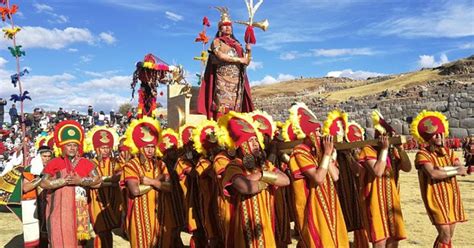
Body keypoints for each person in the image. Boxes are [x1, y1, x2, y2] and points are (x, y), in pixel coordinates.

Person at [220, 111, 290, 247]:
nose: (256, 143)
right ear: (242, 145)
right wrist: (266, 179)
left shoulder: (264, 165)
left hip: (266, 223)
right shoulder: (234, 166)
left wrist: (261, 175)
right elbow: (245, 187)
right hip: (246, 226)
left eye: (256, 140)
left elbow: (285, 180)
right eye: (251, 141)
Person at [287, 103, 349, 247]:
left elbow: (335, 176)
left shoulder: (320, 153)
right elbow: (318, 178)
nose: (322, 135)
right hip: (313, 211)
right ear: (310, 134)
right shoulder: (299, 152)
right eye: (318, 132)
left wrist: (329, 155)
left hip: (330, 207)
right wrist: (327, 154)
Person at [411, 110, 468, 248]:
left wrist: (454, 169)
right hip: (435, 199)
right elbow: (433, 173)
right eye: (435, 134)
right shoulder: (422, 154)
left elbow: (460, 168)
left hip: (451, 197)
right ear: (428, 137)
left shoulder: (449, 152)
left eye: (440, 133)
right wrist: (455, 171)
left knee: (448, 236)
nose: (439, 136)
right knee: (445, 234)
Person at [40, 120, 101, 247]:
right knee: (58, 240)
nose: (72, 148)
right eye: (69, 145)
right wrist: (61, 181)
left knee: (77, 243)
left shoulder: (86, 163)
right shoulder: (54, 162)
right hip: (57, 212)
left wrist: (81, 181)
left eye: (75, 145)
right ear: (62, 146)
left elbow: (98, 180)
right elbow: (43, 183)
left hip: (78, 214)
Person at [357, 110, 412, 248]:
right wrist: (384, 150)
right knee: (380, 241)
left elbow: (407, 167)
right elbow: (377, 171)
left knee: (394, 241)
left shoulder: (393, 151)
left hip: (392, 202)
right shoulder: (367, 150)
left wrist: (401, 150)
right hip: (374, 202)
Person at [123, 116, 172, 248]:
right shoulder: (131, 165)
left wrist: (151, 181)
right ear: (139, 147)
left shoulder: (161, 164)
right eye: (146, 147)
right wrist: (159, 181)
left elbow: (170, 187)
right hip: (140, 219)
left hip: (160, 216)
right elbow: (135, 190)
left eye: (152, 146)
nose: (150, 150)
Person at [197, 6, 254, 120]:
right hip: (222, 79)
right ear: (220, 29)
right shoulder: (217, 42)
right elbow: (220, 55)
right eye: (225, 26)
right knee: (222, 104)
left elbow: (246, 61)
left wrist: (248, 50)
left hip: (237, 80)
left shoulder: (237, 44)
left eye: (229, 26)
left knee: (236, 106)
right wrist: (239, 60)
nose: (228, 28)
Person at [85, 126, 123, 247]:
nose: (105, 150)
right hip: (96, 201)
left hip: (112, 200)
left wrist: (103, 181)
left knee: (108, 232)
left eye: (107, 147)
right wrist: (110, 182)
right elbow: (92, 183)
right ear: (96, 148)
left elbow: (119, 177)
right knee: (100, 231)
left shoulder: (115, 162)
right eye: (102, 148)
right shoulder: (91, 163)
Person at [21, 145, 52, 247]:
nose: (47, 159)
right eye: (44, 156)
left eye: (48, 156)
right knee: (38, 231)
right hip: (36, 203)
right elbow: (26, 188)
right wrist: (41, 177)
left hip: (50, 202)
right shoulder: (31, 169)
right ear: (39, 156)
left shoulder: (53, 167)